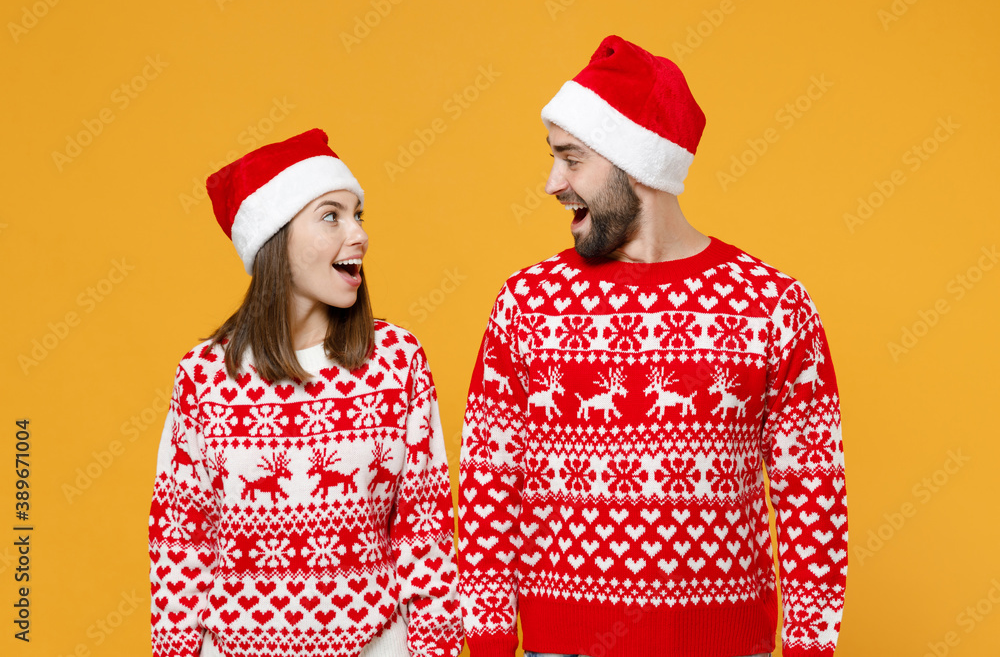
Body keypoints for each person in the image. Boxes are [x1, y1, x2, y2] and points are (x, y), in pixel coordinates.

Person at [457, 36, 847, 657]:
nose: (553, 183)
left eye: (571, 158)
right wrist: (489, 643)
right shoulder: (527, 303)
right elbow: (489, 481)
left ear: (635, 162)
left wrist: (809, 648)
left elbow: (812, 492)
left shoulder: (772, 306)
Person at [148, 129, 464, 657]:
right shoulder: (203, 376)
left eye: (357, 214)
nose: (359, 234)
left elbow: (425, 532)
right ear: (274, 239)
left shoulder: (397, 360)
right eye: (331, 216)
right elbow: (179, 544)